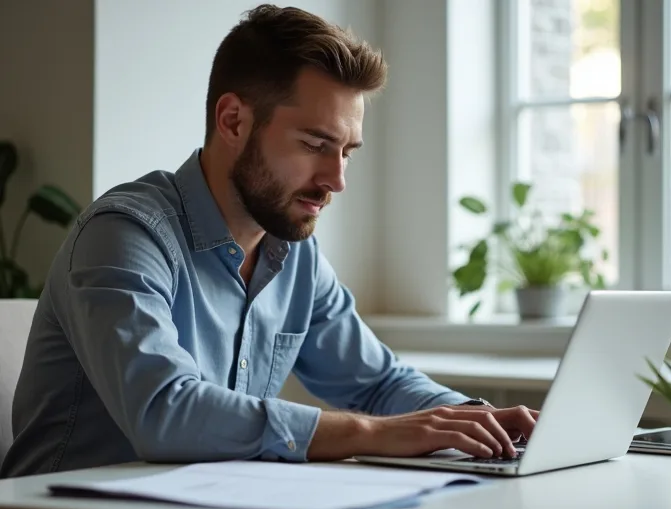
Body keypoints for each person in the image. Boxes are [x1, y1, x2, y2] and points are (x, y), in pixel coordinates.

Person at [0, 4, 538, 478]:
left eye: (347, 151)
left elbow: (377, 383)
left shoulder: (293, 253)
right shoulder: (123, 234)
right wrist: (371, 434)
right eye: (315, 143)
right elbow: (164, 412)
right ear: (233, 120)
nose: (336, 179)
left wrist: (482, 422)